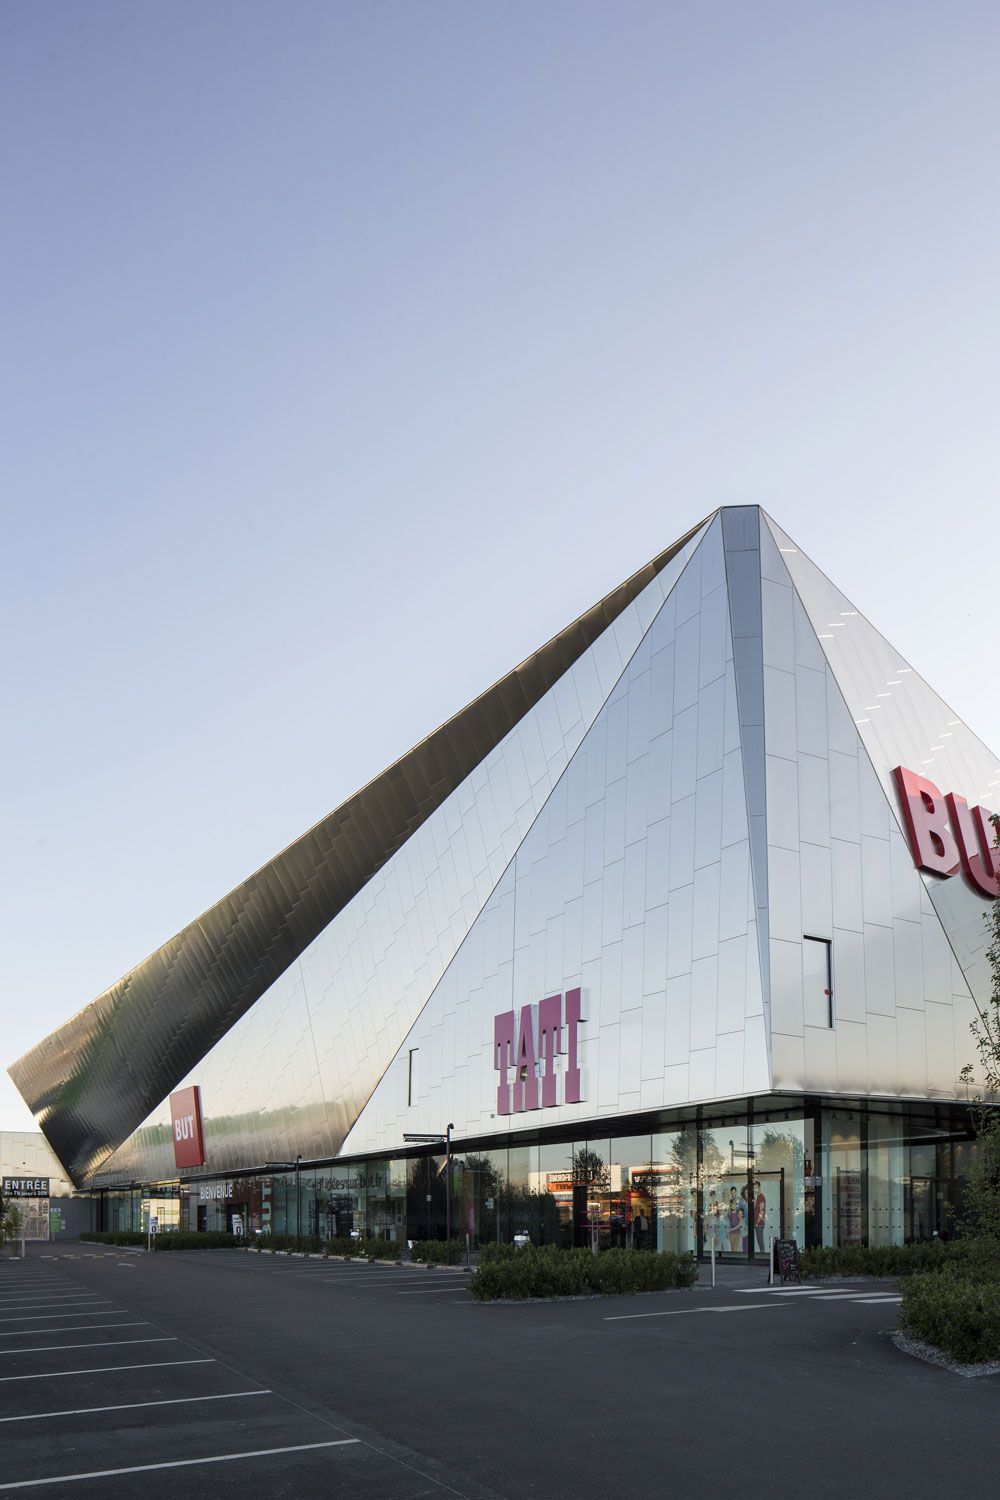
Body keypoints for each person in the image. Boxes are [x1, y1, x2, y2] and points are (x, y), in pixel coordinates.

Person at [754, 1179, 767, 1253]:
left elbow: (762, 1211)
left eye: (756, 1187)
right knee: (759, 1242)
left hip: (759, 1224)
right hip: (757, 1224)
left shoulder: (761, 1197)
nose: (755, 1189)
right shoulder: (757, 1197)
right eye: (754, 1188)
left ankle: (763, 1258)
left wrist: (757, 1222)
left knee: (760, 1243)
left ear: (759, 1188)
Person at [727, 1188, 741, 1252]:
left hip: (737, 1232)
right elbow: (728, 1222)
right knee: (732, 1249)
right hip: (731, 1233)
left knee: (735, 1249)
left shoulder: (738, 1211)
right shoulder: (729, 1214)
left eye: (734, 1192)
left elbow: (740, 1221)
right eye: (732, 1193)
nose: (733, 1194)